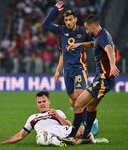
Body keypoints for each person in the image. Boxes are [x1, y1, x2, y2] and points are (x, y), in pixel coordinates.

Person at [42, 1, 98, 135]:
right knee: (73, 100)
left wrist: (81, 44)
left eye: (70, 20)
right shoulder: (61, 31)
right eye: (66, 20)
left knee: (79, 98)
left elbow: (95, 43)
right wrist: (57, 71)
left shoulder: (83, 32)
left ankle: (89, 125)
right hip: (67, 71)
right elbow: (62, 53)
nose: (68, 22)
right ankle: (86, 123)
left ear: (75, 20)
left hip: (79, 69)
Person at [63, 15, 120, 144]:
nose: (86, 31)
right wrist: (80, 44)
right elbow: (95, 44)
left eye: (87, 28)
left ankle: (71, 136)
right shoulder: (102, 35)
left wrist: (112, 66)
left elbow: (109, 49)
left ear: (93, 26)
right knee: (91, 107)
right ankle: (86, 137)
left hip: (103, 79)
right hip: (104, 79)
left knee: (78, 105)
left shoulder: (103, 37)